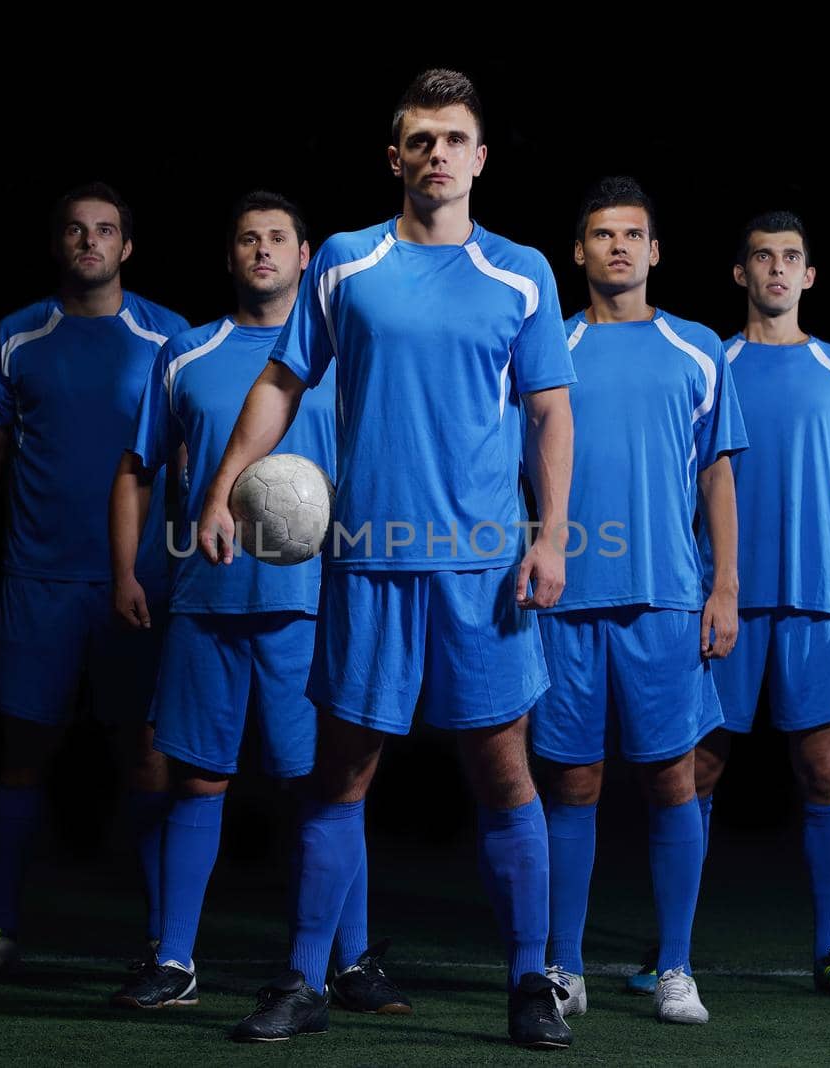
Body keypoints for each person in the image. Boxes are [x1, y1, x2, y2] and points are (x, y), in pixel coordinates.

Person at [197, 70, 579, 1048]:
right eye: (420, 139)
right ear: (395, 157)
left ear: (480, 157)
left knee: (502, 773)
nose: (437, 154)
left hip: (482, 566)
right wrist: (222, 487)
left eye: (455, 138)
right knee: (341, 775)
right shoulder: (343, 265)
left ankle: (530, 983)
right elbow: (284, 379)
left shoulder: (522, 271)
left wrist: (548, 534)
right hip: (367, 560)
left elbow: (548, 411)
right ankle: (302, 980)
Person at [106, 191, 408, 1015]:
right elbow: (137, 469)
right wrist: (128, 571)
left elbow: (384, 467)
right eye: (248, 239)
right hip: (206, 601)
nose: (263, 250)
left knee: (327, 788)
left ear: (307, 256)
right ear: (231, 256)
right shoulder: (187, 354)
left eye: (278, 238)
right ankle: (173, 962)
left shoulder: (344, 359)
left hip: (313, 607)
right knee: (199, 780)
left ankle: (349, 964)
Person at [0, 182, 187, 980]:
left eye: (105, 230)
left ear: (127, 247)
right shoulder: (16, 338)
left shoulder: (169, 337)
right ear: (58, 245)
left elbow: (193, 458)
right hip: (37, 581)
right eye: (76, 231)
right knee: (22, 756)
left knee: (150, 759)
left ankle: (161, 944)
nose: (90, 242)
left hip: (142, 585)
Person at [533, 178, 746, 1025]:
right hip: (566, 598)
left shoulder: (696, 348)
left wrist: (724, 586)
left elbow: (717, 474)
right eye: (599, 234)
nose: (616, 246)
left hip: (666, 599)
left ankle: (676, 969)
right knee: (573, 783)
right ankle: (565, 967)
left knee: (672, 781)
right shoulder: (549, 344)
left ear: (655, 251)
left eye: (632, 234)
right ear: (577, 252)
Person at [692, 210, 830, 999]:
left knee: (822, 770)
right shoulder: (709, 363)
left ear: (809, 276)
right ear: (740, 273)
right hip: (724, 606)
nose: (776, 269)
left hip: (818, 608)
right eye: (761, 257)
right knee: (696, 772)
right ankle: (672, 949)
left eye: (791, 258)